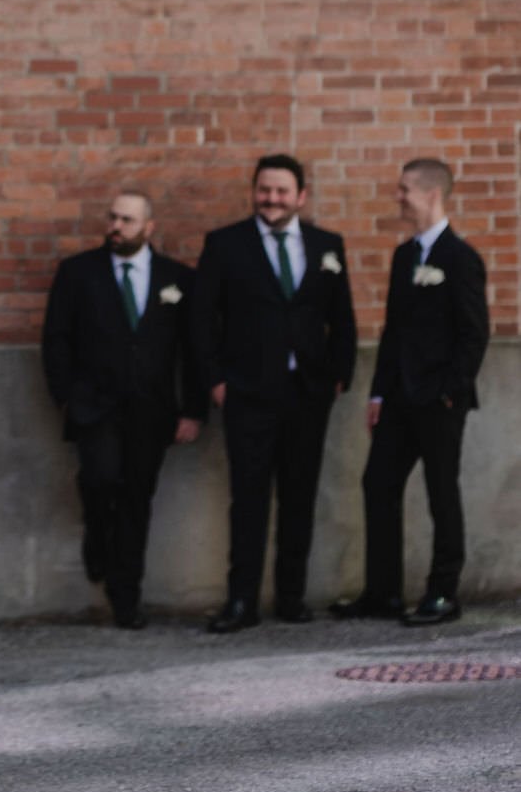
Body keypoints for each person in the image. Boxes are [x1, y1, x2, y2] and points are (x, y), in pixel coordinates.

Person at [192, 155, 356, 632]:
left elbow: (341, 318)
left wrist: (339, 374)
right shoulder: (225, 244)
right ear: (254, 192)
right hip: (247, 392)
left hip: (308, 391)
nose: (272, 199)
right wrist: (215, 380)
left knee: (299, 496)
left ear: (300, 196)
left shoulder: (327, 246)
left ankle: (291, 597)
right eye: (264, 189)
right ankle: (241, 601)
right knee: (248, 498)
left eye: (282, 191)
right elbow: (201, 319)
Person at [331, 159, 489, 627]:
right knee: (377, 484)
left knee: (441, 492)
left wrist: (450, 391)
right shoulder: (404, 257)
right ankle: (382, 593)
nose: (398, 197)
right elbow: (394, 331)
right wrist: (378, 395)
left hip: (439, 400)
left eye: (404, 190)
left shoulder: (461, 258)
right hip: (399, 399)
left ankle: (443, 593)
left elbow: (474, 334)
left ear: (431, 194)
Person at [41, 190, 205, 629]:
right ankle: (97, 537)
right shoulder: (78, 272)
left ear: (148, 227)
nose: (116, 226)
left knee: (136, 499)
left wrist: (193, 410)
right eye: (113, 217)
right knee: (98, 480)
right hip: (93, 406)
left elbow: (192, 349)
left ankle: (126, 596)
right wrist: (65, 396)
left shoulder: (177, 278)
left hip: (151, 411)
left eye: (127, 220)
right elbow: (56, 338)